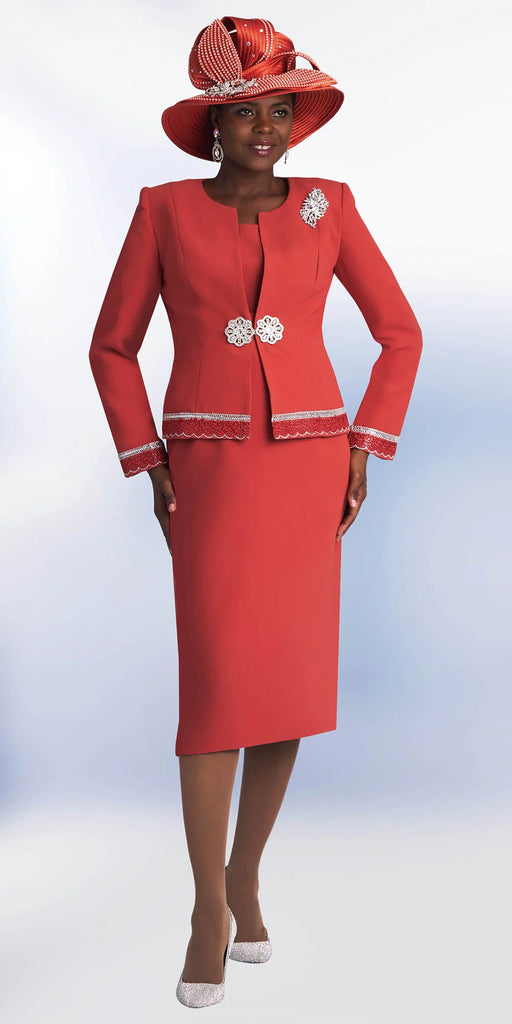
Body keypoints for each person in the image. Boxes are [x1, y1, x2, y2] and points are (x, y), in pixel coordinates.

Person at [88, 15, 423, 1009]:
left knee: (283, 684)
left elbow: (399, 333)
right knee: (215, 689)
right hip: (208, 472)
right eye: (245, 114)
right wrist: (147, 458)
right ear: (212, 126)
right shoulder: (161, 211)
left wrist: (364, 443)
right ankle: (205, 910)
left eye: (280, 111)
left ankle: (245, 877)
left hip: (308, 465)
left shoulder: (331, 206)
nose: (265, 129)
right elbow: (111, 346)